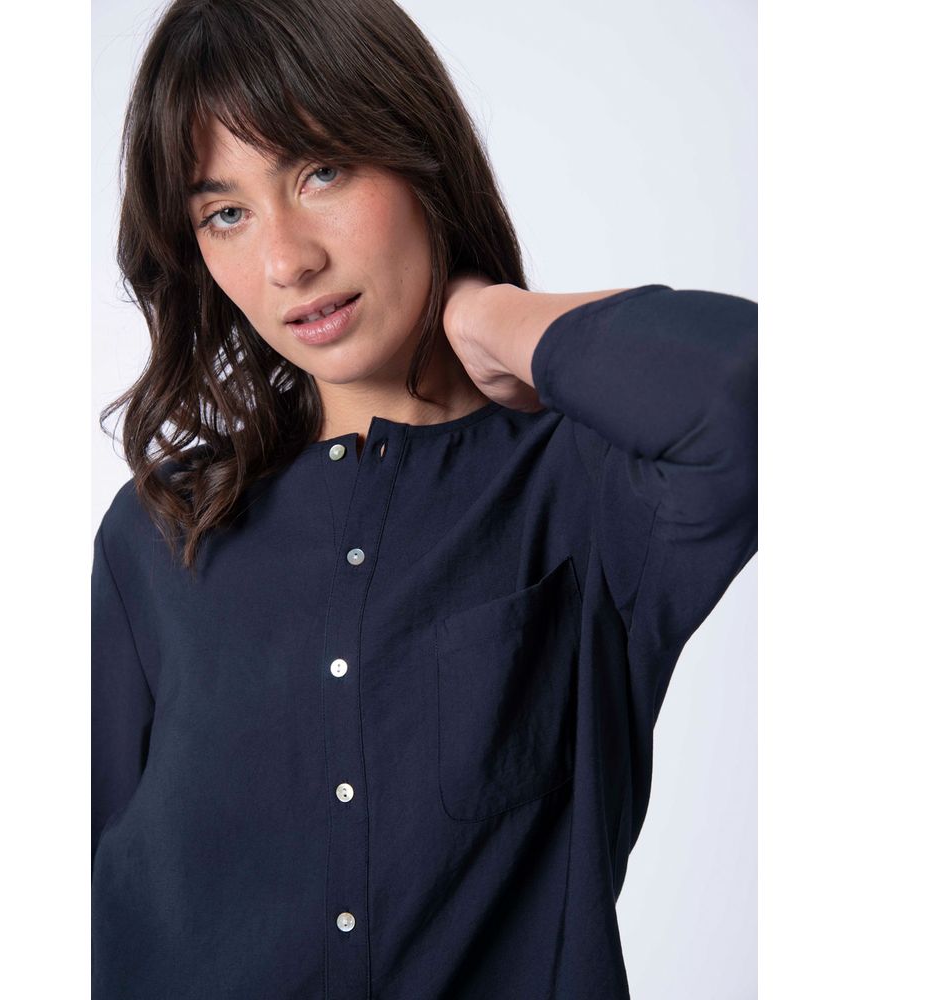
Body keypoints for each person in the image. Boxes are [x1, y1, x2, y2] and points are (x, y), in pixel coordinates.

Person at [91, 0, 758, 997]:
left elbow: (755, 398)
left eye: (321, 171)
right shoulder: (158, 536)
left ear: (417, 154)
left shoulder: (584, 487)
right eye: (226, 213)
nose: (287, 260)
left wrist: (489, 315)